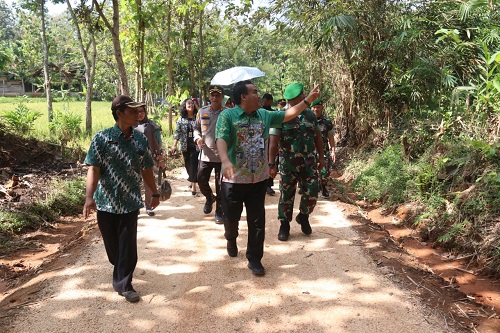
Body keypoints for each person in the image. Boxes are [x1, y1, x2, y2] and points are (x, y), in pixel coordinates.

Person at [216, 80, 320, 276]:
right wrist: (225, 161)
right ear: (243, 97)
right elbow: (221, 138)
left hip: (257, 180)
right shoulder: (227, 115)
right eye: (254, 92)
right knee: (231, 219)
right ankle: (231, 237)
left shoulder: (264, 114)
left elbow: (289, 114)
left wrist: (308, 100)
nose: (259, 94)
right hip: (233, 180)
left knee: (257, 222)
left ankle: (254, 259)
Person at [82, 95, 160, 303]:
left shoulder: (140, 139)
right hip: (106, 201)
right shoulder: (102, 138)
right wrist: (89, 197)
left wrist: (154, 192)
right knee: (113, 249)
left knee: (127, 246)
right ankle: (120, 267)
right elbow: (94, 168)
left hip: (130, 201)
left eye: (138, 111)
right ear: (119, 113)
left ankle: (125, 285)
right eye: (133, 111)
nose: (138, 114)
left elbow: (146, 169)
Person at [269, 83, 325, 242]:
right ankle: (284, 224)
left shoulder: (310, 115)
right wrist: (271, 164)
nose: (302, 99)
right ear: (291, 100)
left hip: (309, 163)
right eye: (298, 98)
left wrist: (321, 157)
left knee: (312, 192)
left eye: (301, 97)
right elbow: (273, 142)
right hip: (288, 164)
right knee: (286, 195)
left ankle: (303, 216)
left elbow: (318, 137)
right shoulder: (280, 115)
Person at [194, 85, 225, 223]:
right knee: (201, 179)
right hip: (205, 154)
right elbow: (196, 128)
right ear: (209, 97)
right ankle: (209, 198)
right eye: (212, 95)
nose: (215, 97)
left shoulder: (227, 113)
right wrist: (197, 138)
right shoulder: (202, 112)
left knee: (220, 185)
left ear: (222, 97)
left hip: (222, 156)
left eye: (218, 95)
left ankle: (219, 211)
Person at [136, 104, 166, 216]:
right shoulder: (129, 126)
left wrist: (160, 159)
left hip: (149, 158)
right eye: (137, 112)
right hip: (132, 159)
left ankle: (148, 206)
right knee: (135, 183)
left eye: (142, 112)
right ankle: (136, 206)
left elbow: (158, 144)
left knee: (148, 183)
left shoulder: (152, 126)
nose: (139, 114)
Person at [171, 98, 199, 195]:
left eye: (192, 104)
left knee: (194, 164)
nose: (190, 105)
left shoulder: (197, 117)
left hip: (196, 146)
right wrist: (174, 145)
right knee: (188, 165)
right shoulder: (181, 119)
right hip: (185, 146)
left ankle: (194, 187)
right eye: (188, 104)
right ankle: (192, 180)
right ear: (185, 106)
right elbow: (177, 132)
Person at [311, 98, 336, 198]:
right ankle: (313, 187)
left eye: (318, 107)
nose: (316, 109)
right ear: (311, 108)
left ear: (322, 108)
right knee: (310, 170)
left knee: (325, 170)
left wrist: (333, 150)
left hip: (324, 149)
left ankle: (323, 186)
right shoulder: (307, 120)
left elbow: (331, 137)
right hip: (310, 150)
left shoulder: (327, 122)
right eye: (314, 107)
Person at [261, 93, 277, 195]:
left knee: (271, 162)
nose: (267, 102)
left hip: (272, 140)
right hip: (262, 140)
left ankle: (269, 185)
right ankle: (263, 185)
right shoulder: (259, 111)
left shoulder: (273, 112)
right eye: (265, 100)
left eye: (269, 101)